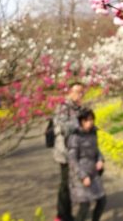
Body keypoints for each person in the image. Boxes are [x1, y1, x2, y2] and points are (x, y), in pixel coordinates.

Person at [54, 81, 86, 221]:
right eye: (77, 91)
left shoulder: (81, 108)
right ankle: (61, 215)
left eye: (81, 92)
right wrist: (80, 124)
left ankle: (68, 213)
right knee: (65, 184)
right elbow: (62, 126)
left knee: (73, 183)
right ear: (70, 92)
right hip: (65, 152)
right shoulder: (63, 107)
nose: (79, 94)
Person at [67, 107, 106, 221]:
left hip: (93, 173)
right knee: (84, 206)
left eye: (92, 120)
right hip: (80, 175)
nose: (90, 122)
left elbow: (97, 150)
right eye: (87, 120)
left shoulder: (93, 133)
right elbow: (72, 159)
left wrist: (100, 160)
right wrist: (82, 176)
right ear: (81, 121)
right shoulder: (75, 137)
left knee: (102, 200)